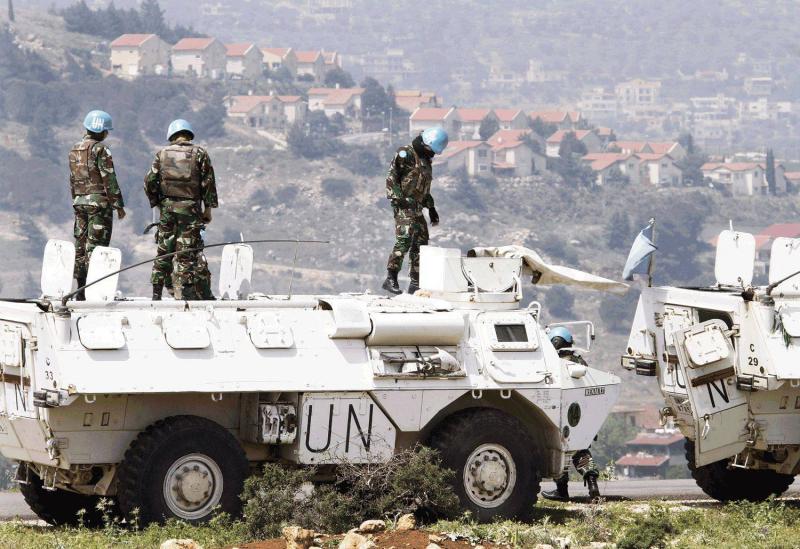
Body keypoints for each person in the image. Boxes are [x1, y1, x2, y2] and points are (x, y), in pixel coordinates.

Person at [144, 119, 217, 300]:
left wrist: (158, 203)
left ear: (171, 135)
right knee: (186, 253)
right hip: (191, 210)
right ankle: (185, 294)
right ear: (189, 135)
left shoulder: (161, 154)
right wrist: (208, 209)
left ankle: (156, 295)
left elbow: (149, 182)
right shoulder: (200, 154)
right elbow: (208, 184)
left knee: (164, 251)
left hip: (168, 210)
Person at [382, 126, 448, 295]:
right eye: (431, 150)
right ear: (426, 144)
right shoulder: (406, 153)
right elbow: (392, 177)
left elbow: (423, 189)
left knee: (421, 243)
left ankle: (415, 283)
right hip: (404, 206)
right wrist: (398, 199)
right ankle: (391, 277)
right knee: (405, 238)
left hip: (417, 208)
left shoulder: (426, 161)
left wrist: (431, 208)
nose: (432, 154)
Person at [69, 110, 126, 300]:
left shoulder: (74, 149)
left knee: (80, 245)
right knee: (96, 246)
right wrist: (118, 205)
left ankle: (80, 290)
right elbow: (108, 178)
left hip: (79, 201)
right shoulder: (101, 150)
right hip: (99, 204)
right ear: (102, 131)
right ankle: (93, 292)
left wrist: (76, 199)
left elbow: (72, 178)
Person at [541, 327, 602, 501]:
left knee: (559, 453)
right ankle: (592, 485)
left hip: (558, 415)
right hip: (580, 417)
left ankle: (562, 491)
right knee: (581, 452)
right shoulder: (580, 362)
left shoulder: (550, 364)